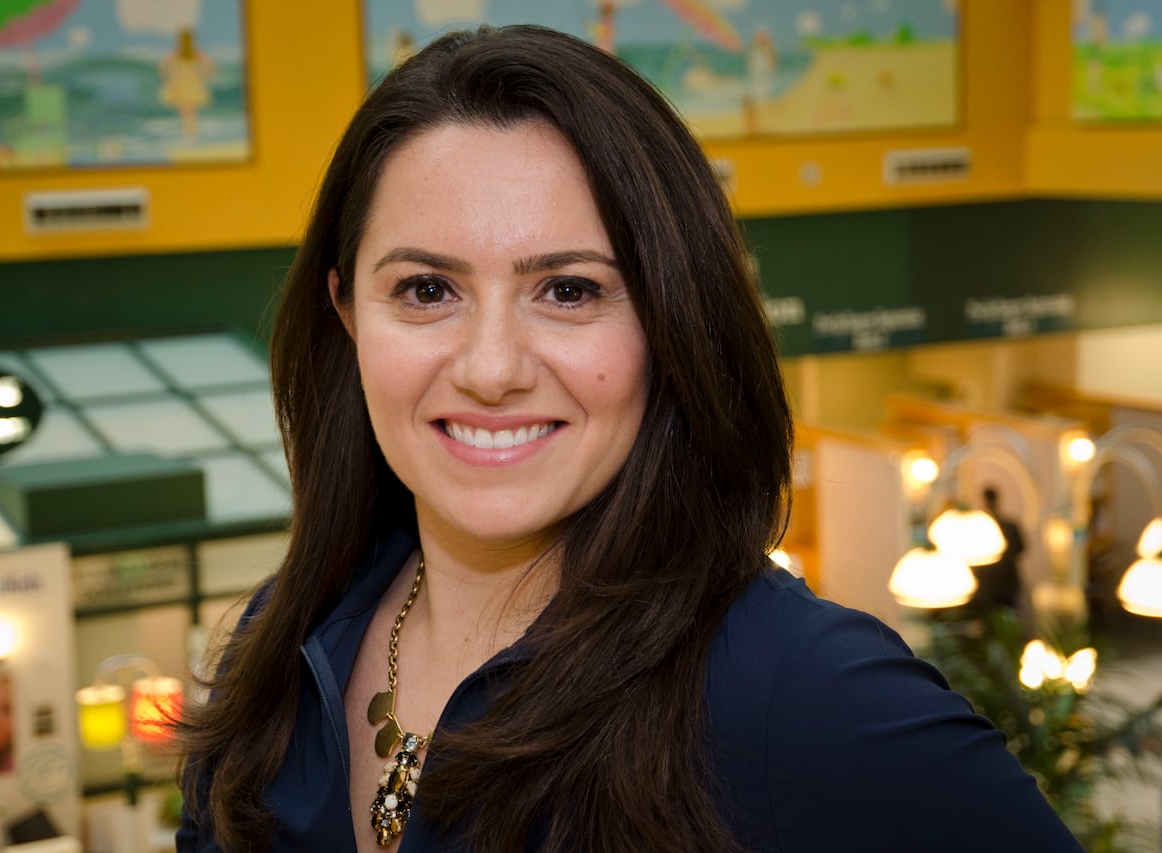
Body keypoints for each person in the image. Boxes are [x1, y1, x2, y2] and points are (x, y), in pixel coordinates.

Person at [175, 25, 1080, 852]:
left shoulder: (803, 693)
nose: (492, 368)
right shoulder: (284, 641)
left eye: (568, 290)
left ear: (669, 320)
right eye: (426, 290)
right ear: (345, 316)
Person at [973, 485, 1025, 613]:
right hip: (1003, 581)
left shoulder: (979, 528)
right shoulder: (1008, 525)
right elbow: (1021, 549)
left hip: (990, 582)